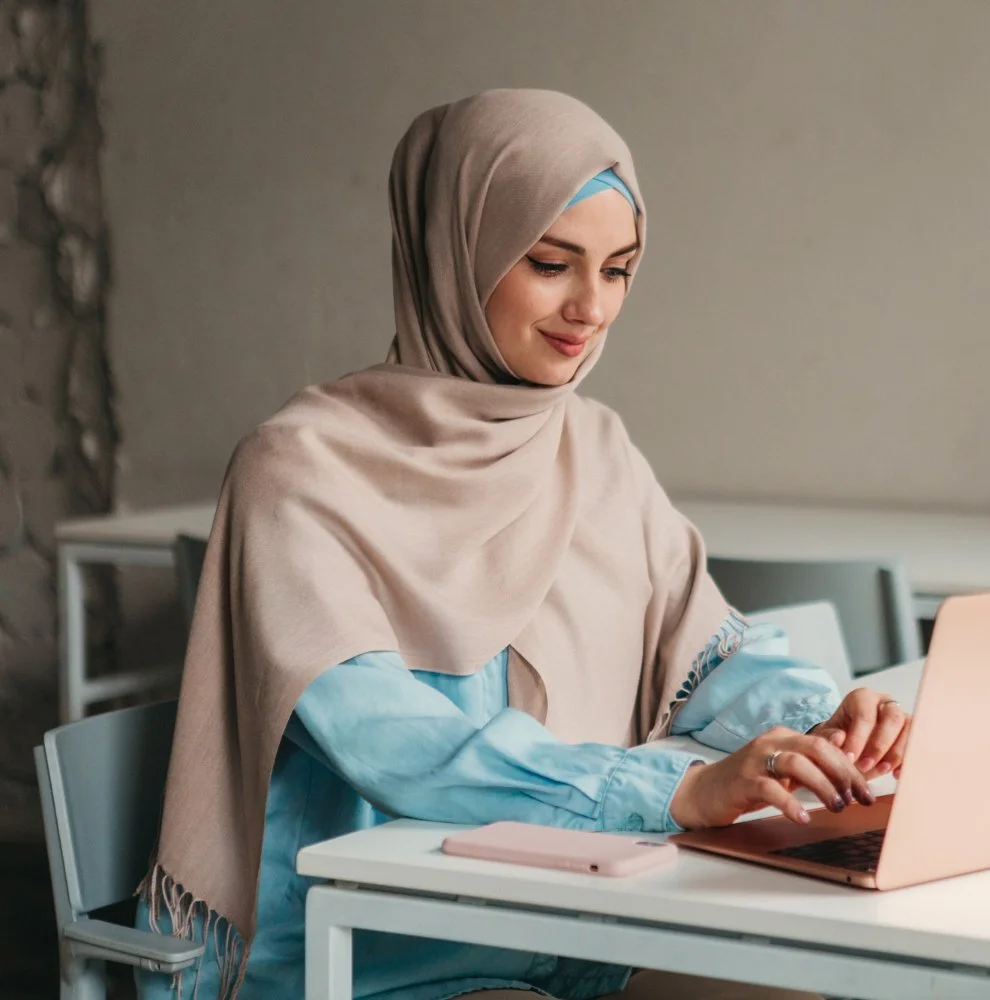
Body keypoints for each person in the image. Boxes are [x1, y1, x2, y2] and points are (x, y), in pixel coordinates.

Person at [136, 89, 912, 1000]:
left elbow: (705, 649)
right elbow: (401, 747)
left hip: (585, 916)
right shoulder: (297, 471)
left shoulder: (594, 445)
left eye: (619, 269)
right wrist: (671, 796)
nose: (591, 307)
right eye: (551, 263)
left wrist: (820, 731)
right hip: (374, 949)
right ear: (455, 255)